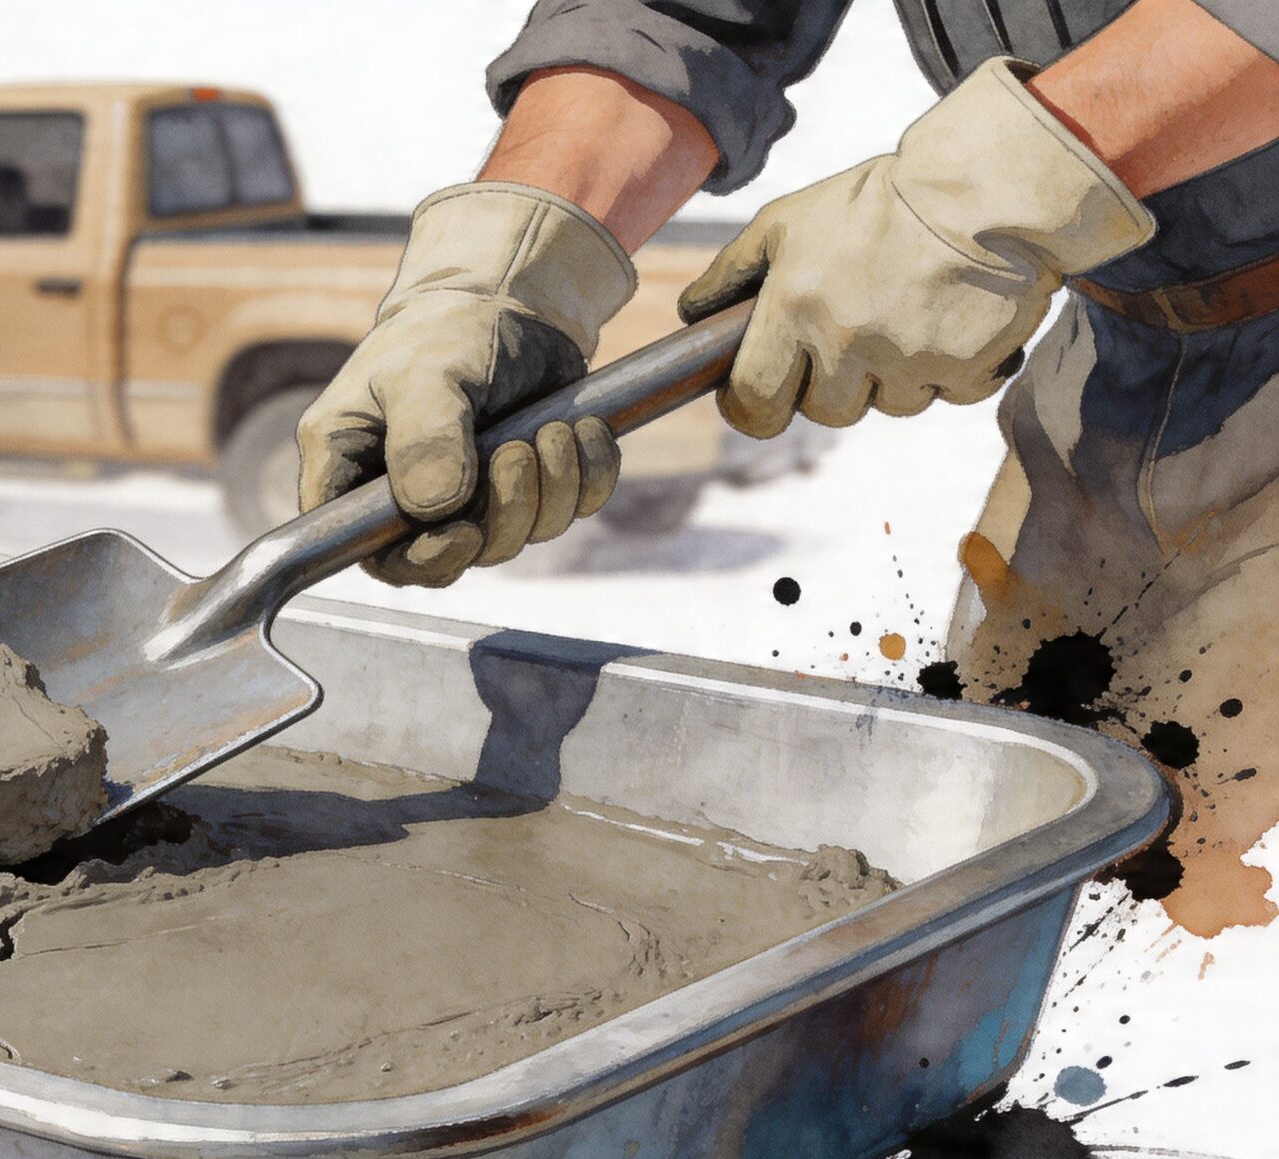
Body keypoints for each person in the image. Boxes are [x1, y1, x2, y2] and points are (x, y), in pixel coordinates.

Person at [301, 0, 1279, 934]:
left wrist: (996, 187)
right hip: (1120, 367)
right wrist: (502, 273)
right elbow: (685, 15)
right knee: (1042, 874)